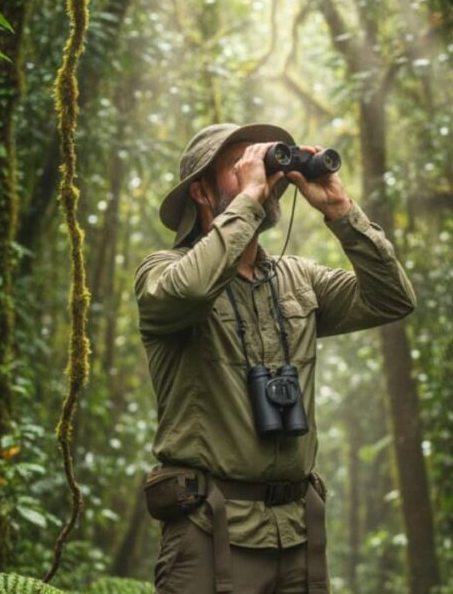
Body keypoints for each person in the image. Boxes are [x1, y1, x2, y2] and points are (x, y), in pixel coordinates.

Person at [134, 122, 416, 593]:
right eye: (241, 167)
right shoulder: (162, 274)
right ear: (201, 193)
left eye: (261, 164)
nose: (260, 177)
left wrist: (341, 212)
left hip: (301, 533)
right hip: (209, 532)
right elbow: (192, 287)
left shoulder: (297, 278)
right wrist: (249, 197)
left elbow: (392, 299)